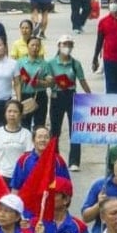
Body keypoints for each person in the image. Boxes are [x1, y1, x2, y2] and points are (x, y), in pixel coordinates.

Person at [42, 34, 90, 171]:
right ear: (59, 46)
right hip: (57, 96)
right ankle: (54, 158)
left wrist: (91, 97)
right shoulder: (50, 63)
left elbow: (82, 80)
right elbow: (47, 80)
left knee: (75, 130)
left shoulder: (75, 64)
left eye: (69, 45)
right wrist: (50, 81)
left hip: (71, 96)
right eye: (64, 44)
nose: (67, 47)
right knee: (55, 130)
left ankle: (74, 161)